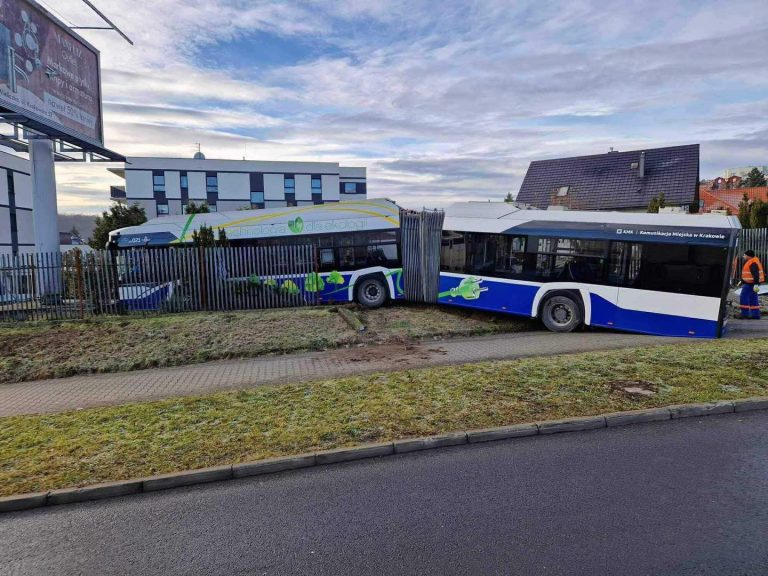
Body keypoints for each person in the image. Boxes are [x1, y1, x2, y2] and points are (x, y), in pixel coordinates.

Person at [740, 250, 765, 319]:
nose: (743, 256)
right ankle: (755, 315)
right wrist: (743, 280)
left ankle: (745, 314)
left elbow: (755, 274)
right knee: (753, 299)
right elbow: (751, 274)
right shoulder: (754, 261)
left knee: (743, 297)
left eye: (744, 255)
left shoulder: (752, 262)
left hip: (750, 284)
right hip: (752, 284)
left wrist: (756, 284)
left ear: (748, 256)